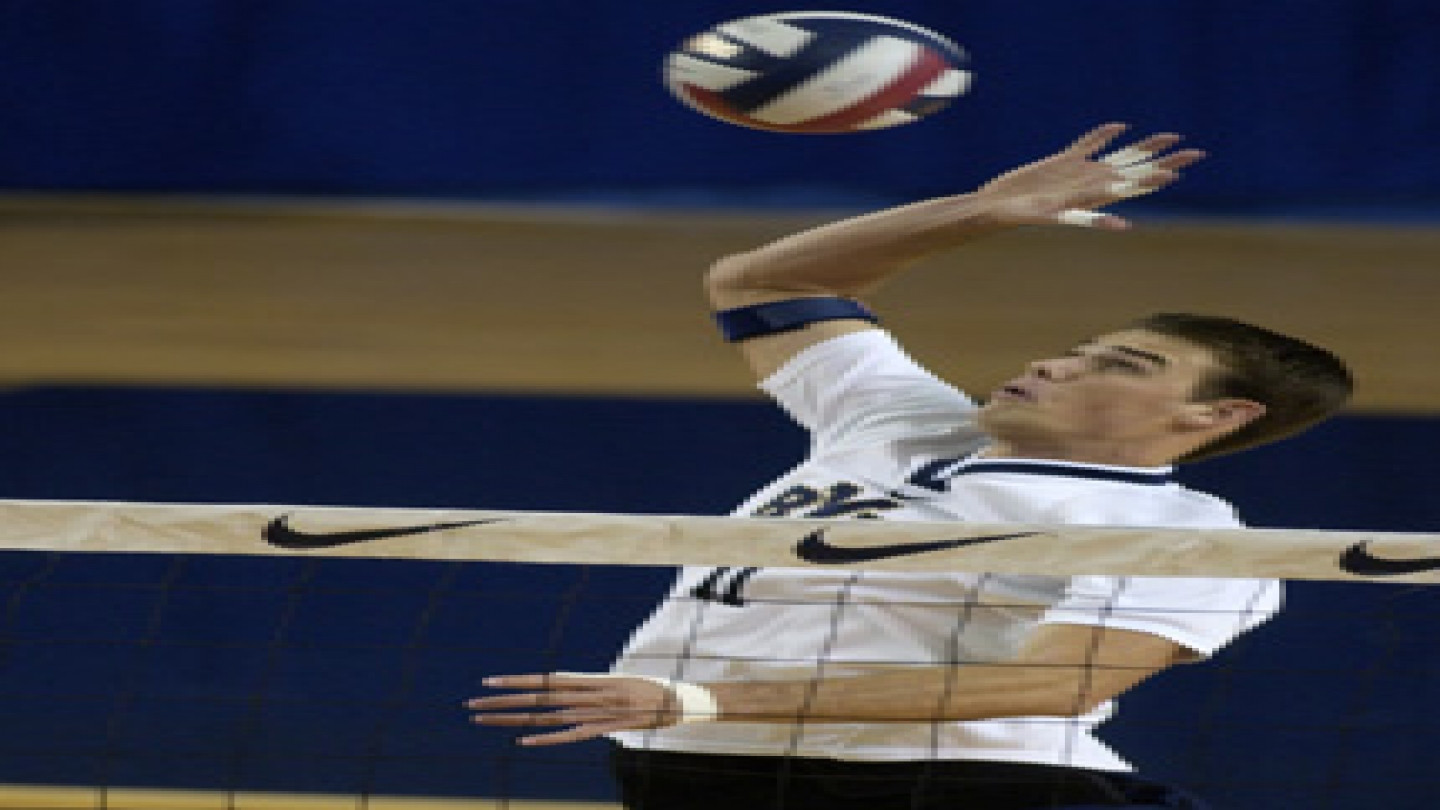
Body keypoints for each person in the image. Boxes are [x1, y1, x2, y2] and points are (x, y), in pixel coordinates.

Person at [463, 123, 1354, 809]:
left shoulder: (1191, 533)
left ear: (1218, 416)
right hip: (693, 767)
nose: (1056, 363)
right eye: (1079, 348)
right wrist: (980, 212)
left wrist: (706, 699)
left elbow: (1052, 684)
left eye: (1119, 365)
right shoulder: (903, 418)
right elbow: (759, 285)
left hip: (956, 782)